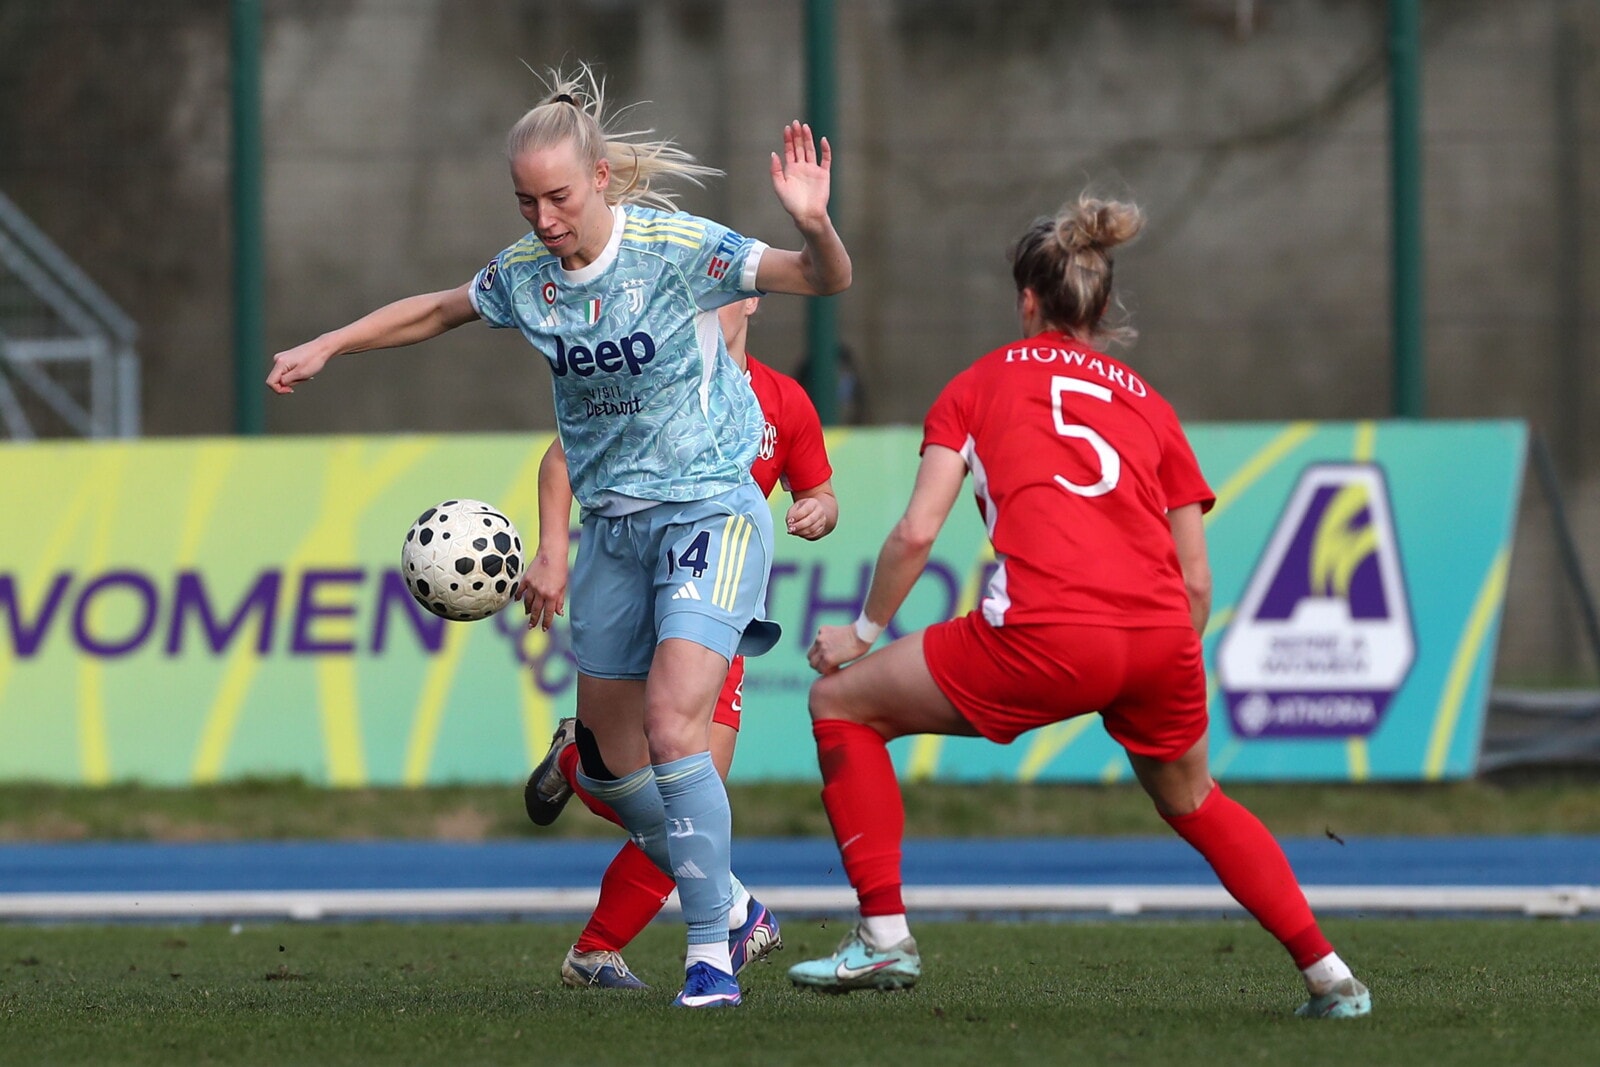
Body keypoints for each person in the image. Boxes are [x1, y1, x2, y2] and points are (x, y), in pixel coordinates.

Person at [266, 65, 851, 1009]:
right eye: (526, 201)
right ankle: (738, 905)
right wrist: (329, 343)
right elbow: (438, 309)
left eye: (559, 198)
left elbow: (822, 278)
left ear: (602, 180)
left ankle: (709, 955)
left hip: (710, 511)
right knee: (610, 770)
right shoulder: (526, 276)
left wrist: (814, 223)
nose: (543, 219)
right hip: (612, 529)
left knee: (674, 726)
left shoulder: (676, 249)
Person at [786, 196, 1371, 1020]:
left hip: (1049, 631)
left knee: (840, 704)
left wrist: (862, 631)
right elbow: (1197, 581)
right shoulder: (1151, 405)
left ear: (1028, 300)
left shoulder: (979, 384)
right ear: (1101, 304)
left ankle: (884, 935)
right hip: (1162, 636)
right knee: (1195, 799)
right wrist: (1149, 667)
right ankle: (1330, 974)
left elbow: (916, 533)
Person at [522, 295, 838, 990]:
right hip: (639, 584)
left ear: (751, 298)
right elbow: (562, 458)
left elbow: (819, 490)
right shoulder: (654, 372)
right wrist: (553, 550)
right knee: (659, 785)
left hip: (713, 596)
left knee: (689, 787)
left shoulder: (784, 401)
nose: (701, 308)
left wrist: (816, 509)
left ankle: (602, 948)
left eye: (717, 296)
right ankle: (585, 769)